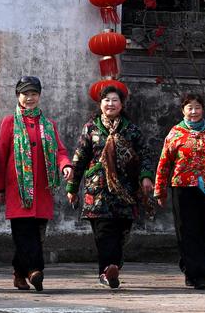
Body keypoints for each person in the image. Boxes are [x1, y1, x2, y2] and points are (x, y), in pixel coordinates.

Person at [66, 85, 156, 289]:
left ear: (121, 104)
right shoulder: (91, 128)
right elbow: (79, 158)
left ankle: (113, 266)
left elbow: (145, 156)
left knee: (121, 232)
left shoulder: (131, 129)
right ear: (100, 104)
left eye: (115, 100)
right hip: (97, 192)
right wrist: (72, 188)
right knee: (103, 233)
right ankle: (107, 271)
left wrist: (146, 177)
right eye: (107, 100)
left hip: (125, 191)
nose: (111, 104)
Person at [0, 75, 73, 292]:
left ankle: (20, 273)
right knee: (23, 233)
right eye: (25, 94)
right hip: (18, 190)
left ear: (39, 96)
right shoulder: (9, 123)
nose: (29, 98)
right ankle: (35, 270)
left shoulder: (48, 125)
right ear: (18, 96)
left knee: (37, 234)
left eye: (34, 94)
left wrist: (65, 165)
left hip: (42, 190)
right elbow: (1, 156)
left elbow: (60, 151)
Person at [154, 92, 205, 290]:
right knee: (187, 231)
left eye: (197, 107)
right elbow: (164, 163)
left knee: (203, 230)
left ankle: (191, 268)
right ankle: (198, 274)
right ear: (183, 110)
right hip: (182, 189)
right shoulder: (175, 133)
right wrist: (160, 190)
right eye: (189, 107)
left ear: (203, 109)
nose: (193, 111)